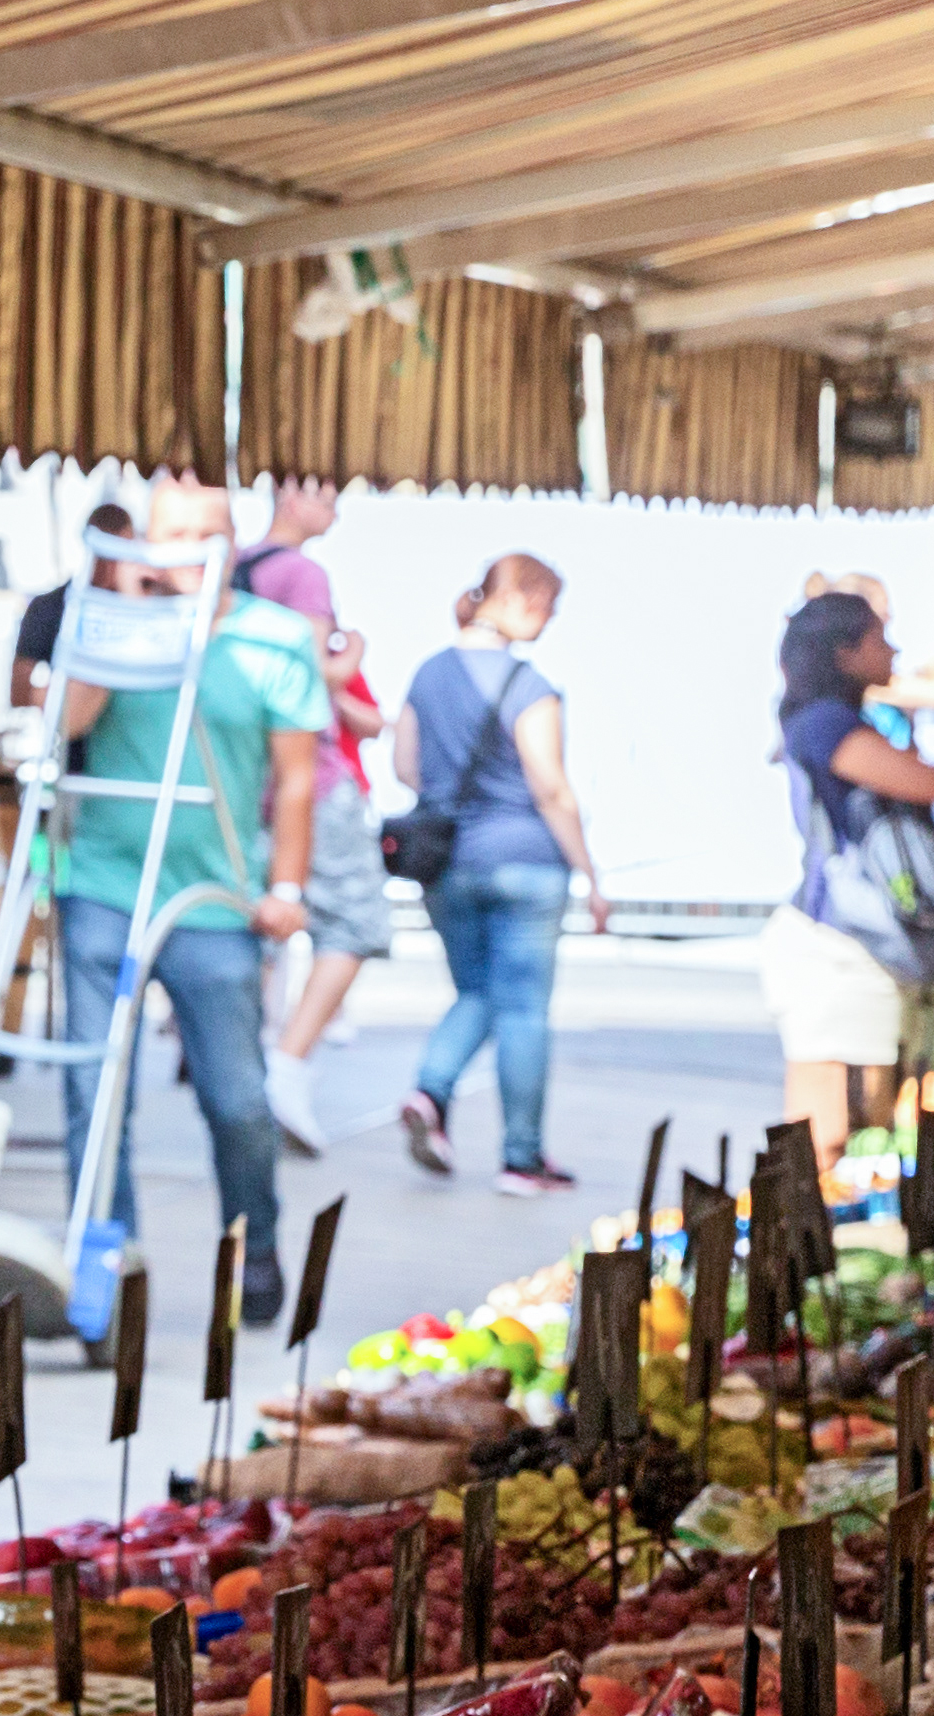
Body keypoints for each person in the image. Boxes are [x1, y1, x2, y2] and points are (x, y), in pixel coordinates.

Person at [52, 482, 329, 1326]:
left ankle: (256, 1242)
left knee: (237, 1099)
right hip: (104, 883)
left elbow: (295, 781)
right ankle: (108, 1263)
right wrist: (123, 611)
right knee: (94, 1090)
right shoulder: (107, 620)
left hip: (216, 898)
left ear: (232, 541)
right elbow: (67, 722)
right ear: (147, 540)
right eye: (173, 534)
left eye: (207, 534)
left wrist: (287, 888)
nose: (190, 549)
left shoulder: (274, 639)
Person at [389, 554, 601, 1194]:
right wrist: (592, 874)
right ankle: (521, 1158)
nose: (552, 620)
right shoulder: (529, 686)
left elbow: (406, 766)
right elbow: (550, 787)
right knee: (523, 1012)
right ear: (521, 601)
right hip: (527, 863)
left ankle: (431, 1090)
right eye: (550, 606)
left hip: (448, 862)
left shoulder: (427, 675)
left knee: (478, 993)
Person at [765, 589, 934, 1142]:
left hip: (870, 951)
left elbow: (912, 821)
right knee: (824, 1142)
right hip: (833, 951)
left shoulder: (847, 719)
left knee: (868, 1131)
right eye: (880, 637)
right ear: (843, 652)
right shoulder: (824, 723)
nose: (895, 651)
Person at [234, 478, 391, 1152]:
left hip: (246, 775)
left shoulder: (236, 568)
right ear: (294, 496)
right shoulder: (301, 574)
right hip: (310, 772)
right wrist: (347, 663)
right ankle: (288, 1067)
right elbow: (301, 669)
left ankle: (255, 1065)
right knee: (354, 921)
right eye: (327, 496)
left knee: (259, 925)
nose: (335, 512)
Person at [4, 500, 136, 713]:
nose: (114, 562)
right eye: (108, 551)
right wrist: (74, 699)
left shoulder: (142, 609)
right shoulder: (50, 608)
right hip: (73, 739)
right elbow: (19, 691)